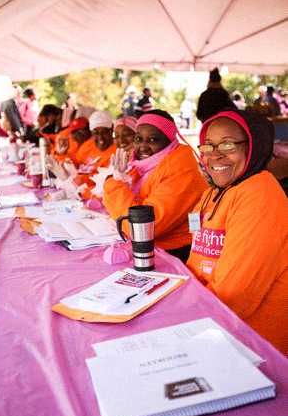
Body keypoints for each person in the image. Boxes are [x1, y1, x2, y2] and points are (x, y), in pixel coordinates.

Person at [186, 109, 288, 354]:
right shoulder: (217, 190)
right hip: (211, 320)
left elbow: (233, 296)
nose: (215, 156)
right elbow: (197, 245)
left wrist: (178, 318)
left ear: (254, 146)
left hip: (249, 344)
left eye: (228, 145)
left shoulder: (259, 198)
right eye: (208, 146)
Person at [103, 109, 209, 263]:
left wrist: (113, 183)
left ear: (170, 141)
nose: (143, 147)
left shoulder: (179, 169)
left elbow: (142, 227)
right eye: (139, 139)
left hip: (177, 254)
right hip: (151, 247)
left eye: (153, 140)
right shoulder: (142, 165)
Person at [46, 110, 117, 200]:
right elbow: (74, 164)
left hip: (92, 197)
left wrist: (77, 187)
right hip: (74, 190)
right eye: (96, 133)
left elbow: (100, 183)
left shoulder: (116, 152)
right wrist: (62, 155)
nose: (100, 137)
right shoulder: (88, 144)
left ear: (111, 131)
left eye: (104, 132)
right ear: (91, 133)